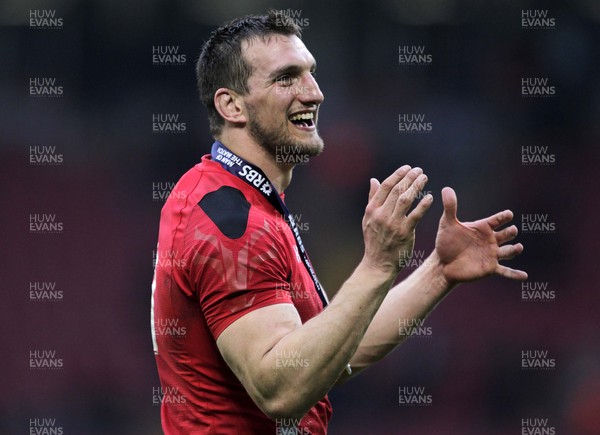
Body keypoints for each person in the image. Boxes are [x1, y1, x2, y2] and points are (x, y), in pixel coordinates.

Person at [150, 10, 527, 434]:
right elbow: (281, 391)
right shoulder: (229, 219)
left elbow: (333, 355)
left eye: (311, 73)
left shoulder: (242, 201)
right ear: (231, 104)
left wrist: (438, 272)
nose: (314, 93)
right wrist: (378, 265)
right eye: (286, 78)